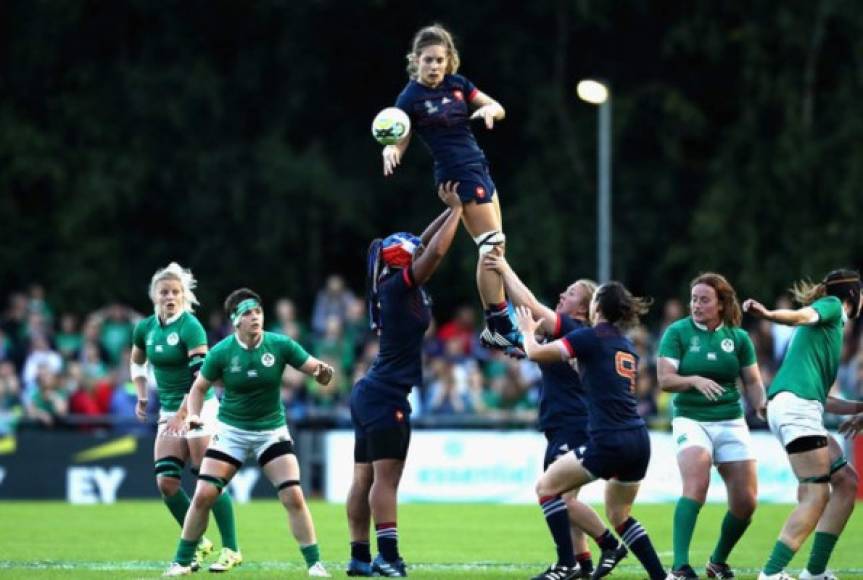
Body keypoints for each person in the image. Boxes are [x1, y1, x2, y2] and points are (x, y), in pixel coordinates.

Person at [162, 288, 335, 577]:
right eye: (247, 313)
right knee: (204, 493)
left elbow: (315, 368)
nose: (255, 317)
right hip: (231, 431)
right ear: (235, 321)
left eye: (258, 311)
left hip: (271, 431)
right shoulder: (221, 351)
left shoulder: (280, 344)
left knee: (293, 495)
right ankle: (180, 562)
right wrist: (192, 415)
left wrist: (322, 373)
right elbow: (198, 388)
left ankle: (315, 564)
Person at [345, 182, 463, 577]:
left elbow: (425, 242)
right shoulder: (399, 287)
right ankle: (388, 555)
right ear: (404, 262)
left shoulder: (389, 281)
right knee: (386, 480)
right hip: (386, 395)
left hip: (371, 391)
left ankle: (360, 557)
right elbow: (437, 250)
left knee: (364, 479)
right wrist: (460, 213)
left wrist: (451, 209)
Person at [382, 23, 520, 351]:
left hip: (478, 166)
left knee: (495, 245)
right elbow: (399, 133)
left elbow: (497, 106)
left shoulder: (458, 84)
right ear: (415, 60)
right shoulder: (411, 96)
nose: (434, 66)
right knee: (490, 247)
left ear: (449, 60)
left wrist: (490, 110)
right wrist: (391, 147)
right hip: (458, 173)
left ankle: (499, 323)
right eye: (428, 60)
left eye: (439, 60)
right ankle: (499, 324)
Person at [516, 282, 666, 580]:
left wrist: (526, 331)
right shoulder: (625, 345)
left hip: (608, 439)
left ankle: (567, 564)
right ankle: (661, 577)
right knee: (620, 516)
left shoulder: (589, 336)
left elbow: (534, 353)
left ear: (596, 307)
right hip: (639, 438)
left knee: (548, 490)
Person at [485, 250, 601, 578]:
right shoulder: (567, 334)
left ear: (583, 308)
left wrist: (504, 267)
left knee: (557, 495)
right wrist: (514, 344)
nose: (563, 294)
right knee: (566, 499)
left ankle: (597, 551)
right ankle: (582, 564)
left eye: (572, 292)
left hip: (572, 423)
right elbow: (535, 348)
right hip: (565, 423)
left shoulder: (573, 325)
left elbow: (532, 306)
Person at [744, 270, 863, 580]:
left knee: (847, 483)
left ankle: (815, 572)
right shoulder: (834, 307)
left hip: (800, 407)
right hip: (797, 410)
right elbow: (801, 315)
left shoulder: (827, 331)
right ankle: (771, 573)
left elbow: (824, 400)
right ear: (853, 295)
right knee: (816, 494)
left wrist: (860, 408)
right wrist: (769, 314)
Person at [131, 263, 240, 572]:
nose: (170, 297)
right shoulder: (145, 328)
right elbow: (136, 360)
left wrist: (184, 413)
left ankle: (231, 548)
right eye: (164, 292)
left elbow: (199, 379)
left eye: (176, 292)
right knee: (166, 482)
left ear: (184, 296)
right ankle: (199, 543)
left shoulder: (190, 327)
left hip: (199, 407)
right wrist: (141, 394)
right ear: (154, 295)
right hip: (169, 411)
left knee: (208, 480)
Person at [657, 273, 767, 580]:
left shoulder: (739, 338)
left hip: (731, 420)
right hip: (690, 419)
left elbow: (753, 382)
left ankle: (717, 561)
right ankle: (679, 567)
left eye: (704, 299)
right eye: (694, 299)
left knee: (746, 502)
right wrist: (693, 380)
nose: (696, 305)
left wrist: (761, 405)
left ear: (721, 304)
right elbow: (665, 380)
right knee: (696, 483)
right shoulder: (677, 332)